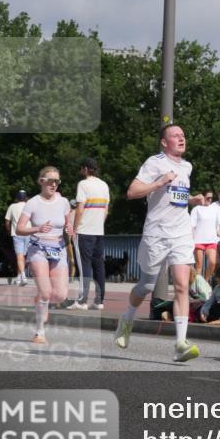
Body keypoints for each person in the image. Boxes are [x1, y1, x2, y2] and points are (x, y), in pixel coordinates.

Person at [115, 124, 203, 363]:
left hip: (181, 233)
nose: (182, 138)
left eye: (183, 135)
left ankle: (180, 344)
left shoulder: (187, 166)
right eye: (176, 135)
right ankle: (127, 319)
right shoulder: (154, 163)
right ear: (164, 142)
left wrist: (192, 199)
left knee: (183, 285)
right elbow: (132, 192)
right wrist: (160, 182)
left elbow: (177, 199)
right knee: (146, 285)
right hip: (156, 233)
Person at [15, 166, 74, 344]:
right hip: (38, 248)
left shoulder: (63, 201)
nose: (54, 184)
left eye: (57, 181)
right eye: (50, 181)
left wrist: (69, 227)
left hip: (58, 248)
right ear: (41, 181)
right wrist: (37, 228)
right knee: (46, 292)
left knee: (61, 295)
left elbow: (68, 220)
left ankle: (40, 299)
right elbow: (19, 228)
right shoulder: (33, 203)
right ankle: (39, 332)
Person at [70, 157, 109, 309]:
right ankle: (99, 301)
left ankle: (82, 300)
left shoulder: (83, 184)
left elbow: (80, 208)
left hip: (84, 230)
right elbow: (106, 209)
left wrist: (74, 228)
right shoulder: (104, 185)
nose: (81, 171)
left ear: (86, 169)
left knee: (84, 265)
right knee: (99, 266)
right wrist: (99, 223)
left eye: (81, 168)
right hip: (99, 231)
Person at [190, 190, 220, 281]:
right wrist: (191, 239)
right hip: (198, 240)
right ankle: (197, 286)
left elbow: (218, 224)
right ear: (202, 197)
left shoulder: (214, 209)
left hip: (211, 240)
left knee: (212, 262)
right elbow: (192, 225)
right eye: (208, 197)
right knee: (199, 265)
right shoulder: (196, 209)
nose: (210, 199)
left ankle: (205, 282)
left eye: (211, 198)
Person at [5, 190, 29, 286]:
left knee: (19, 256)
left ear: (17, 197)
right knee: (24, 256)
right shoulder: (29, 206)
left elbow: (7, 221)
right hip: (28, 233)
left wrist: (9, 231)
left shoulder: (12, 206)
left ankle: (22, 276)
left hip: (17, 233)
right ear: (26, 197)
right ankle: (19, 277)